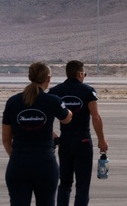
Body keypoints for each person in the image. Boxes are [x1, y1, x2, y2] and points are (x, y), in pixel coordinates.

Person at [2, 62, 72, 206]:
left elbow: (6, 139)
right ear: (48, 78)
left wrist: (16, 156)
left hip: (19, 162)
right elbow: (66, 118)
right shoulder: (52, 101)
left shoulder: (13, 102)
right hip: (44, 163)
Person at [49, 61, 109, 206]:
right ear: (79, 74)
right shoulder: (88, 91)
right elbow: (96, 117)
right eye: (84, 74)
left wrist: (52, 134)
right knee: (82, 184)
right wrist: (102, 140)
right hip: (83, 140)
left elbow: (46, 117)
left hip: (65, 140)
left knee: (65, 183)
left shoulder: (55, 91)